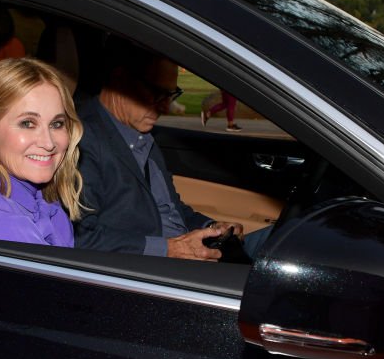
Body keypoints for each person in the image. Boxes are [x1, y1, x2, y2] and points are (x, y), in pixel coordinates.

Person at [75, 42, 268, 261]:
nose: (165, 108)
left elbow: (171, 209)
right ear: (120, 80)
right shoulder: (82, 140)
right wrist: (169, 249)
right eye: (157, 93)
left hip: (191, 259)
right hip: (158, 274)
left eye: (171, 94)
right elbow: (81, 238)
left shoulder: (141, 134)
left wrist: (212, 227)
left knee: (288, 242)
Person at [0, 58, 83, 247]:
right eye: (27, 124)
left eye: (57, 124)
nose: (48, 143)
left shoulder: (36, 198)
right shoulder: (4, 226)